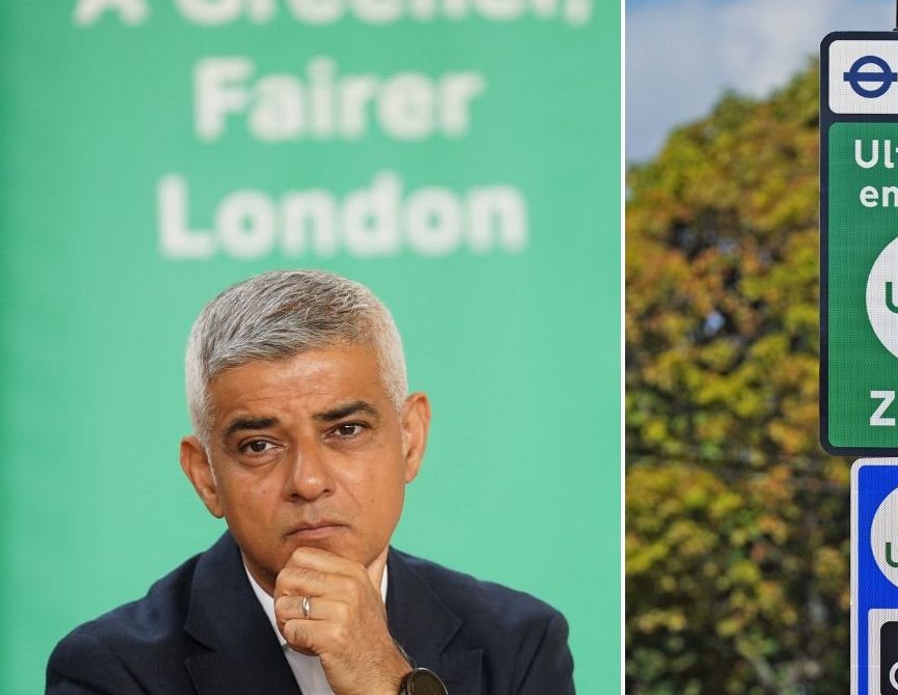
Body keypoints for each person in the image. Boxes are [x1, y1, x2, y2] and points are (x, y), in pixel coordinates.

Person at [46, 270, 575, 695]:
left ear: (410, 440)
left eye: (345, 430)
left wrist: (385, 683)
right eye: (259, 445)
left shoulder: (520, 644)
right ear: (206, 476)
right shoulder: (110, 671)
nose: (308, 480)